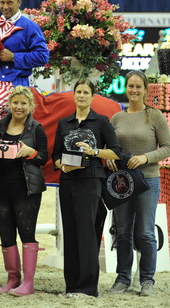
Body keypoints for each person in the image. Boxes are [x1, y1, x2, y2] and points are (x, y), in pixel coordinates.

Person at [52, 78, 121, 297]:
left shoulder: (101, 122)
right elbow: (55, 156)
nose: (81, 95)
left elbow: (116, 152)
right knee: (70, 234)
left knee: (87, 234)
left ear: (92, 97)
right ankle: (71, 286)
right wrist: (62, 166)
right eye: (78, 92)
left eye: (85, 92)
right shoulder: (64, 123)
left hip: (91, 182)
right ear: (74, 95)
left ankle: (88, 288)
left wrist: (94, 152)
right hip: (68, 183)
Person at [107, 70, 170, 296]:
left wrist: (145, 157)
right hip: (122, 183)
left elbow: (167, 148)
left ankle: (147, 280)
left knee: (145, 233)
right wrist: (110, 162)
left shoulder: (154, 116)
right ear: (126, 88)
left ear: (145, 90)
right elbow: (111, 150)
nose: (134, 90)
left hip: (148, 180)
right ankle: (123, 278)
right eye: (130, 86)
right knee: (123, 231)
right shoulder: (117, 118)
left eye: (138, 87)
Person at [0, 86, 48, 297]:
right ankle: (12, 278)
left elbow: (44, 157)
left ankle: (28, 282)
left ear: (30, 106)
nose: (19, 107)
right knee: (6, 234)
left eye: (23, 103)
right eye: (15, 103)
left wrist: (31, 152)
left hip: (27, 189)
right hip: (3, 188)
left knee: (26, 233)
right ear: (9, 104)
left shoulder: (36, 129)